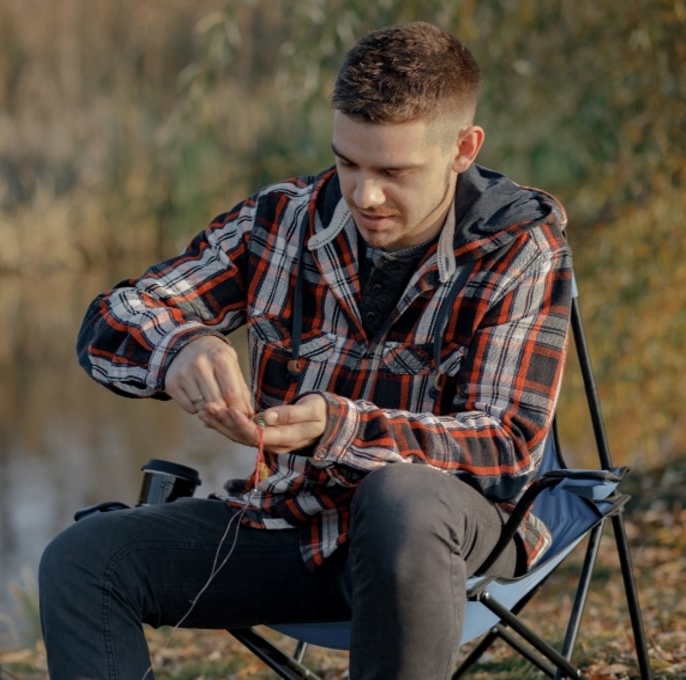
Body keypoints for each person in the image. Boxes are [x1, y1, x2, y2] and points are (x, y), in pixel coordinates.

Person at [38, 20, 574, 680]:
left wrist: (337, 426)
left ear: (463, 148)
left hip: (446, 540)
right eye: (348, 162)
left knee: (400, 499)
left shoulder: (519, 248)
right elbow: (113, 319)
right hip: (295, 526)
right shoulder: (281, 218)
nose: (365, 195)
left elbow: (506, 444)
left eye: (394, 170)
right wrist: (180, 348)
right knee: (85, 560)